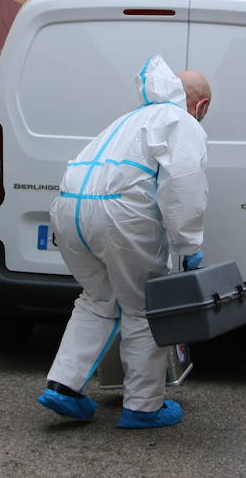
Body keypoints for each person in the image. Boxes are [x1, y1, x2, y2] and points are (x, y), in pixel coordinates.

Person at [38, 55, 211, 429]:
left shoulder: (130, 119)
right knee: (145, 309)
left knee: (97, 300)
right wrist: (189, 244)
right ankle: (143, 408)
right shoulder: (182, 121)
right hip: (119, 218)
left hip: (69, 211)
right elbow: (183, 185)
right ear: (202, 105)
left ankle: (63, 386)